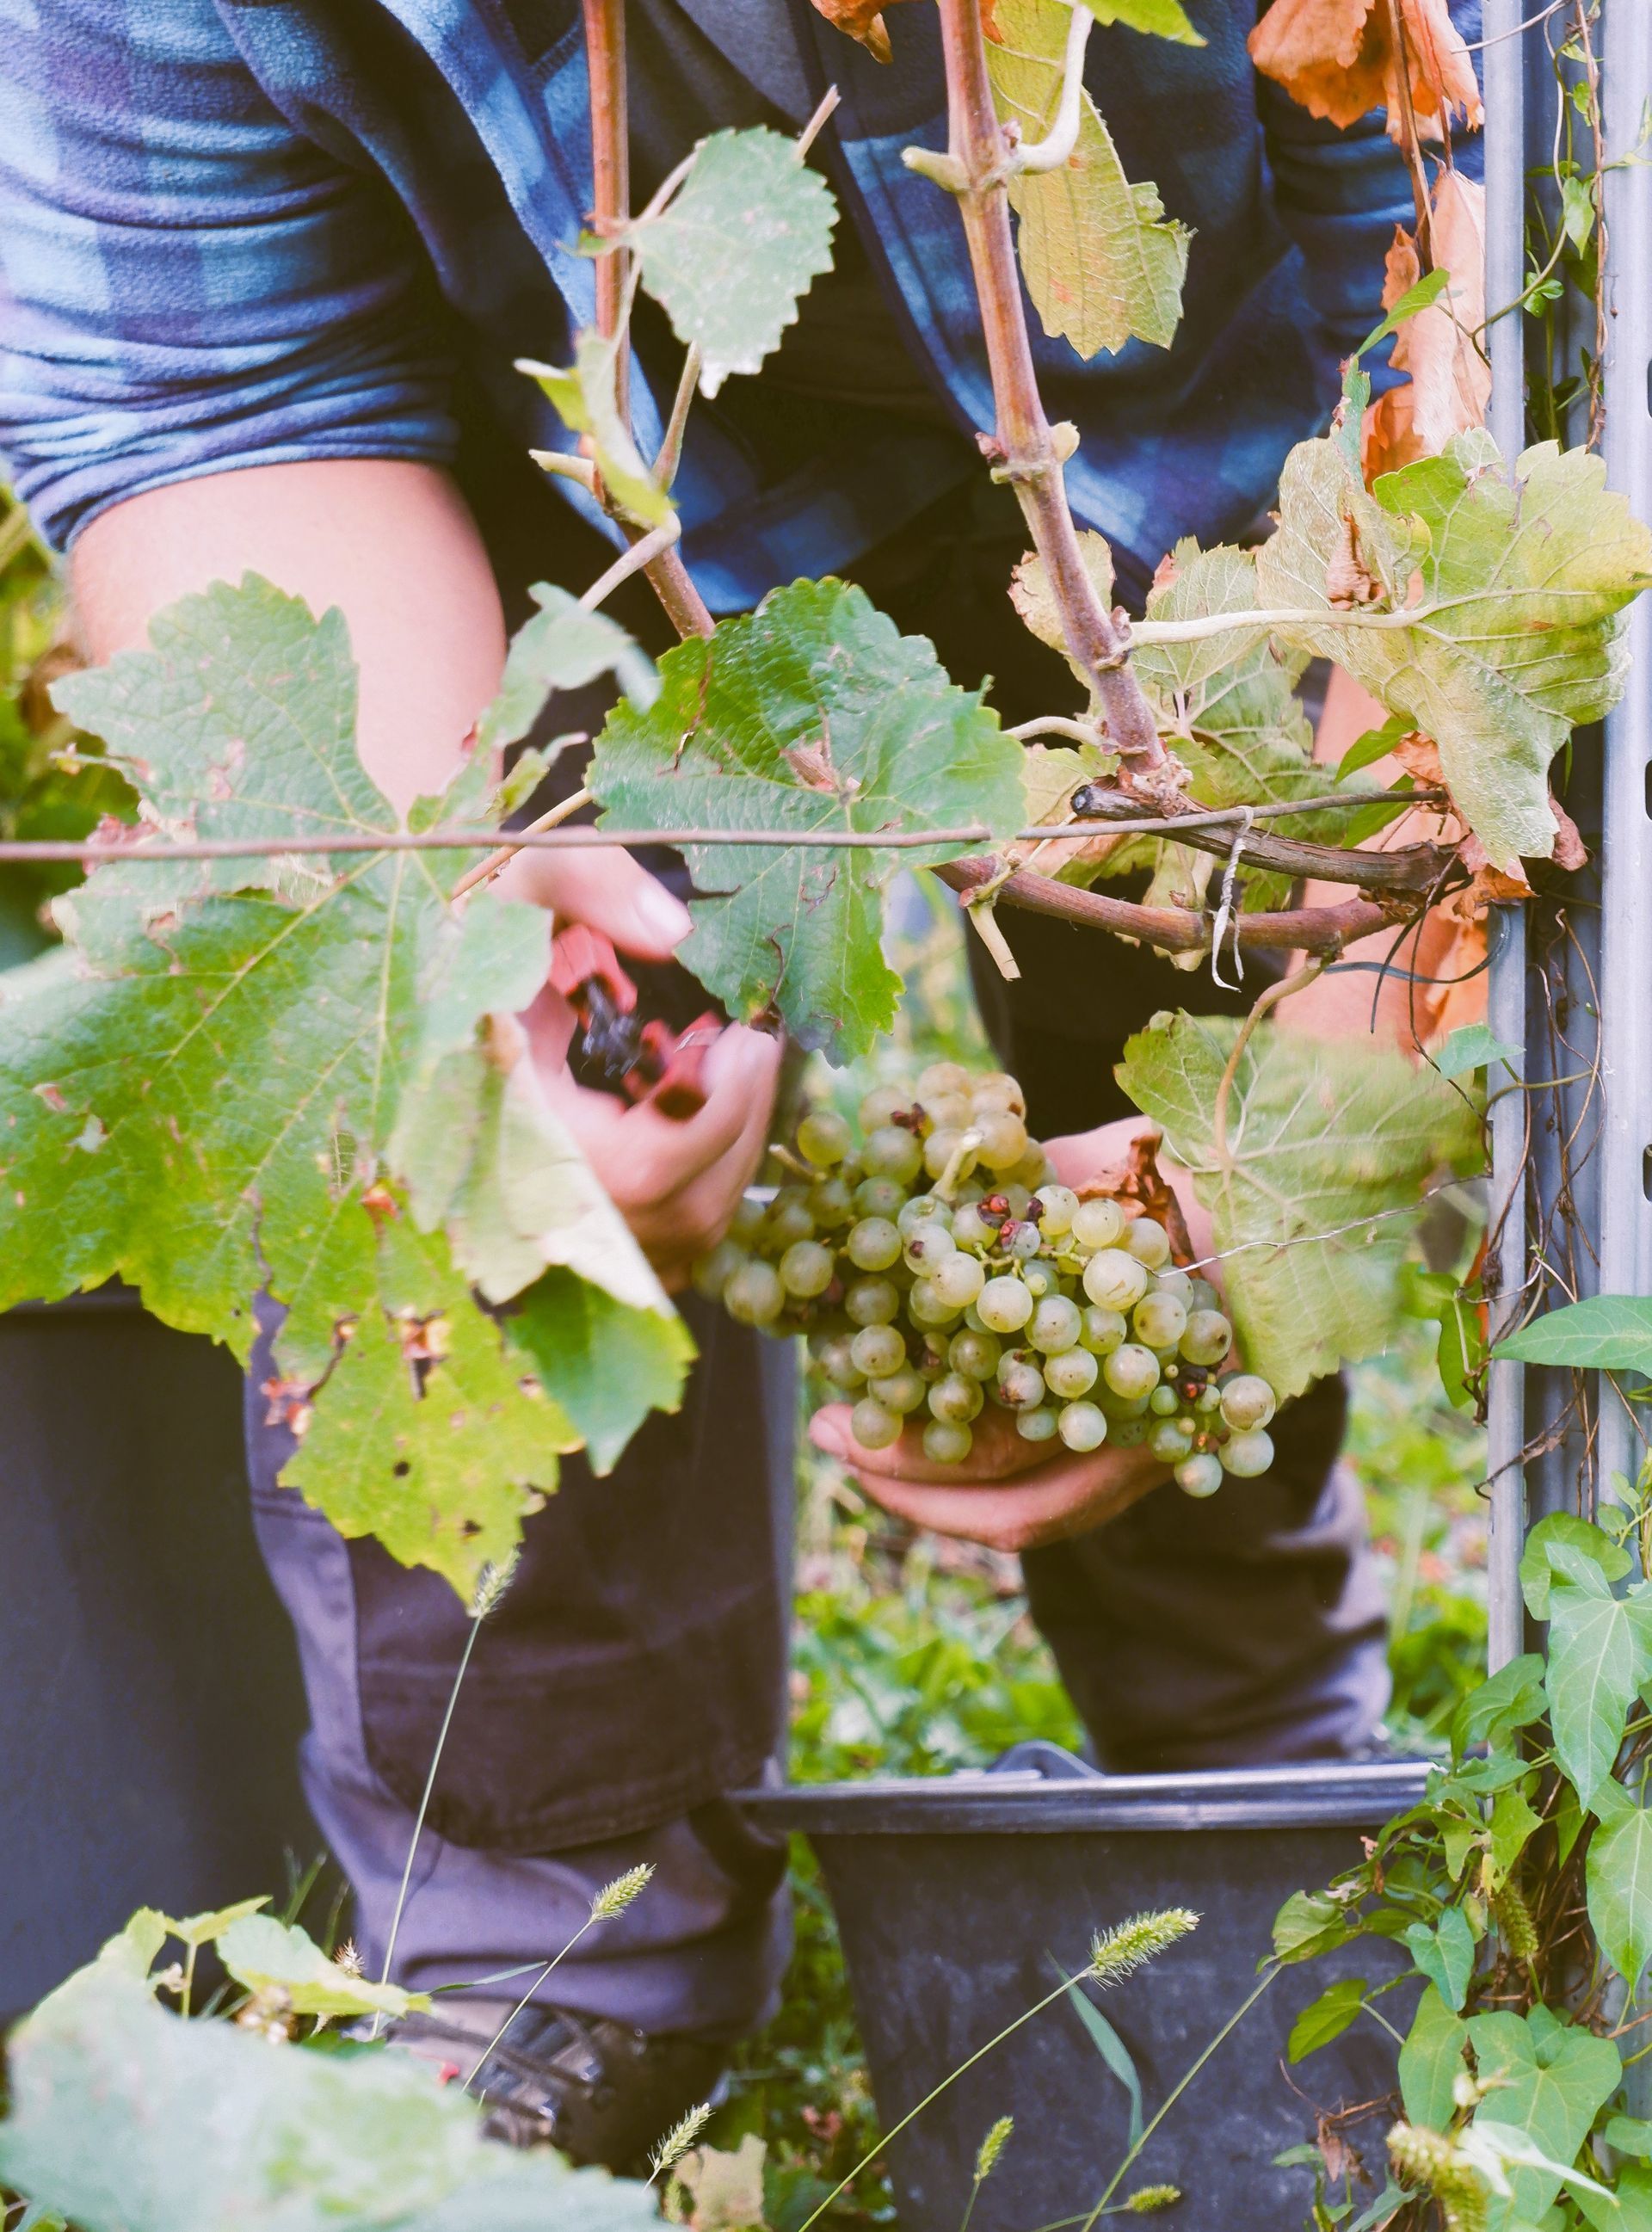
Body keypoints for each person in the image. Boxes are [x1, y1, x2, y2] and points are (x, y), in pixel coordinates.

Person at [0, 0, 1480, 2167]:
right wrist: (464, 916)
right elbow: (218, 390)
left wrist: (1289, 1167)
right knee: (400, 1008)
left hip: (1244, 478)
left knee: (1211, 1029)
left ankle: (1257, 1757)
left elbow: (1458, 301)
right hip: (556, 502)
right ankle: (547, 1961)